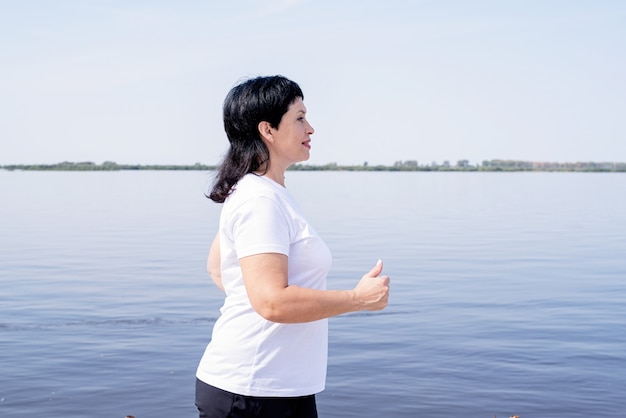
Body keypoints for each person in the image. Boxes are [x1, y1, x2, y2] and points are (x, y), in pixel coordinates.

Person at [195, 75, 390, 418]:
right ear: (267, 130)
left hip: (275, 388)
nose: (310, 128)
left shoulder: (263, 193)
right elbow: (271, 301)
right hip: (252, 392)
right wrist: (358, 299)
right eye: (299, 118)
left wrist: (254, 300)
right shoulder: (259, 200)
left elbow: (218, 267)